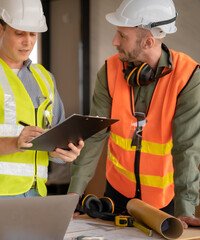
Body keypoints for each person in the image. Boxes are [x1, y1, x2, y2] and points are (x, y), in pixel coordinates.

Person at [0, 0, 84, 229]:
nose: (28, 42)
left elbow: (54, 138)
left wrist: (65, 151)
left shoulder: (44, 78)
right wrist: (16, 142)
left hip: (36, 193)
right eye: (20, 33)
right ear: (0, 28)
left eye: (33, 34)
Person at [68, 0, 200, 228]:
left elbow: (186, 147)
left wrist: (185, 209)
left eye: (122, 35)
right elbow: (96, 135)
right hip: (116, 194)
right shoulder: (109, 71)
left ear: (148, 41)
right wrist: (73, 194)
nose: (114, 41)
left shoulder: (187, 77)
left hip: (164, 202)